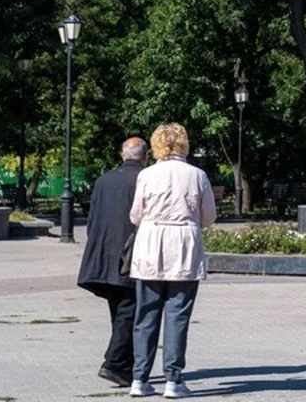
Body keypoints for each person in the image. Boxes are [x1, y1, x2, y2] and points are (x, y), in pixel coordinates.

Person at [128, 123, 217, 398]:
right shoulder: (197, 175)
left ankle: (139, 379)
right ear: (184, 144)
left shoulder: (147, 174)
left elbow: (135, 215)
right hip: (183, 246)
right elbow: (208, 217)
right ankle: (173, 379)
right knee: (178, 315)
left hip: (151, 245)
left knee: (146, 314)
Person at [77, 137, 149, 388]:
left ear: (122, 155)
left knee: (119, 310)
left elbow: (92, 218)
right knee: (129, 309)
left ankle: (124, 368)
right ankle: (114, 363)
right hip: (131, 253)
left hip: (103, 255)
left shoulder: (103, 180)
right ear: (145, 157)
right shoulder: (146, 178)